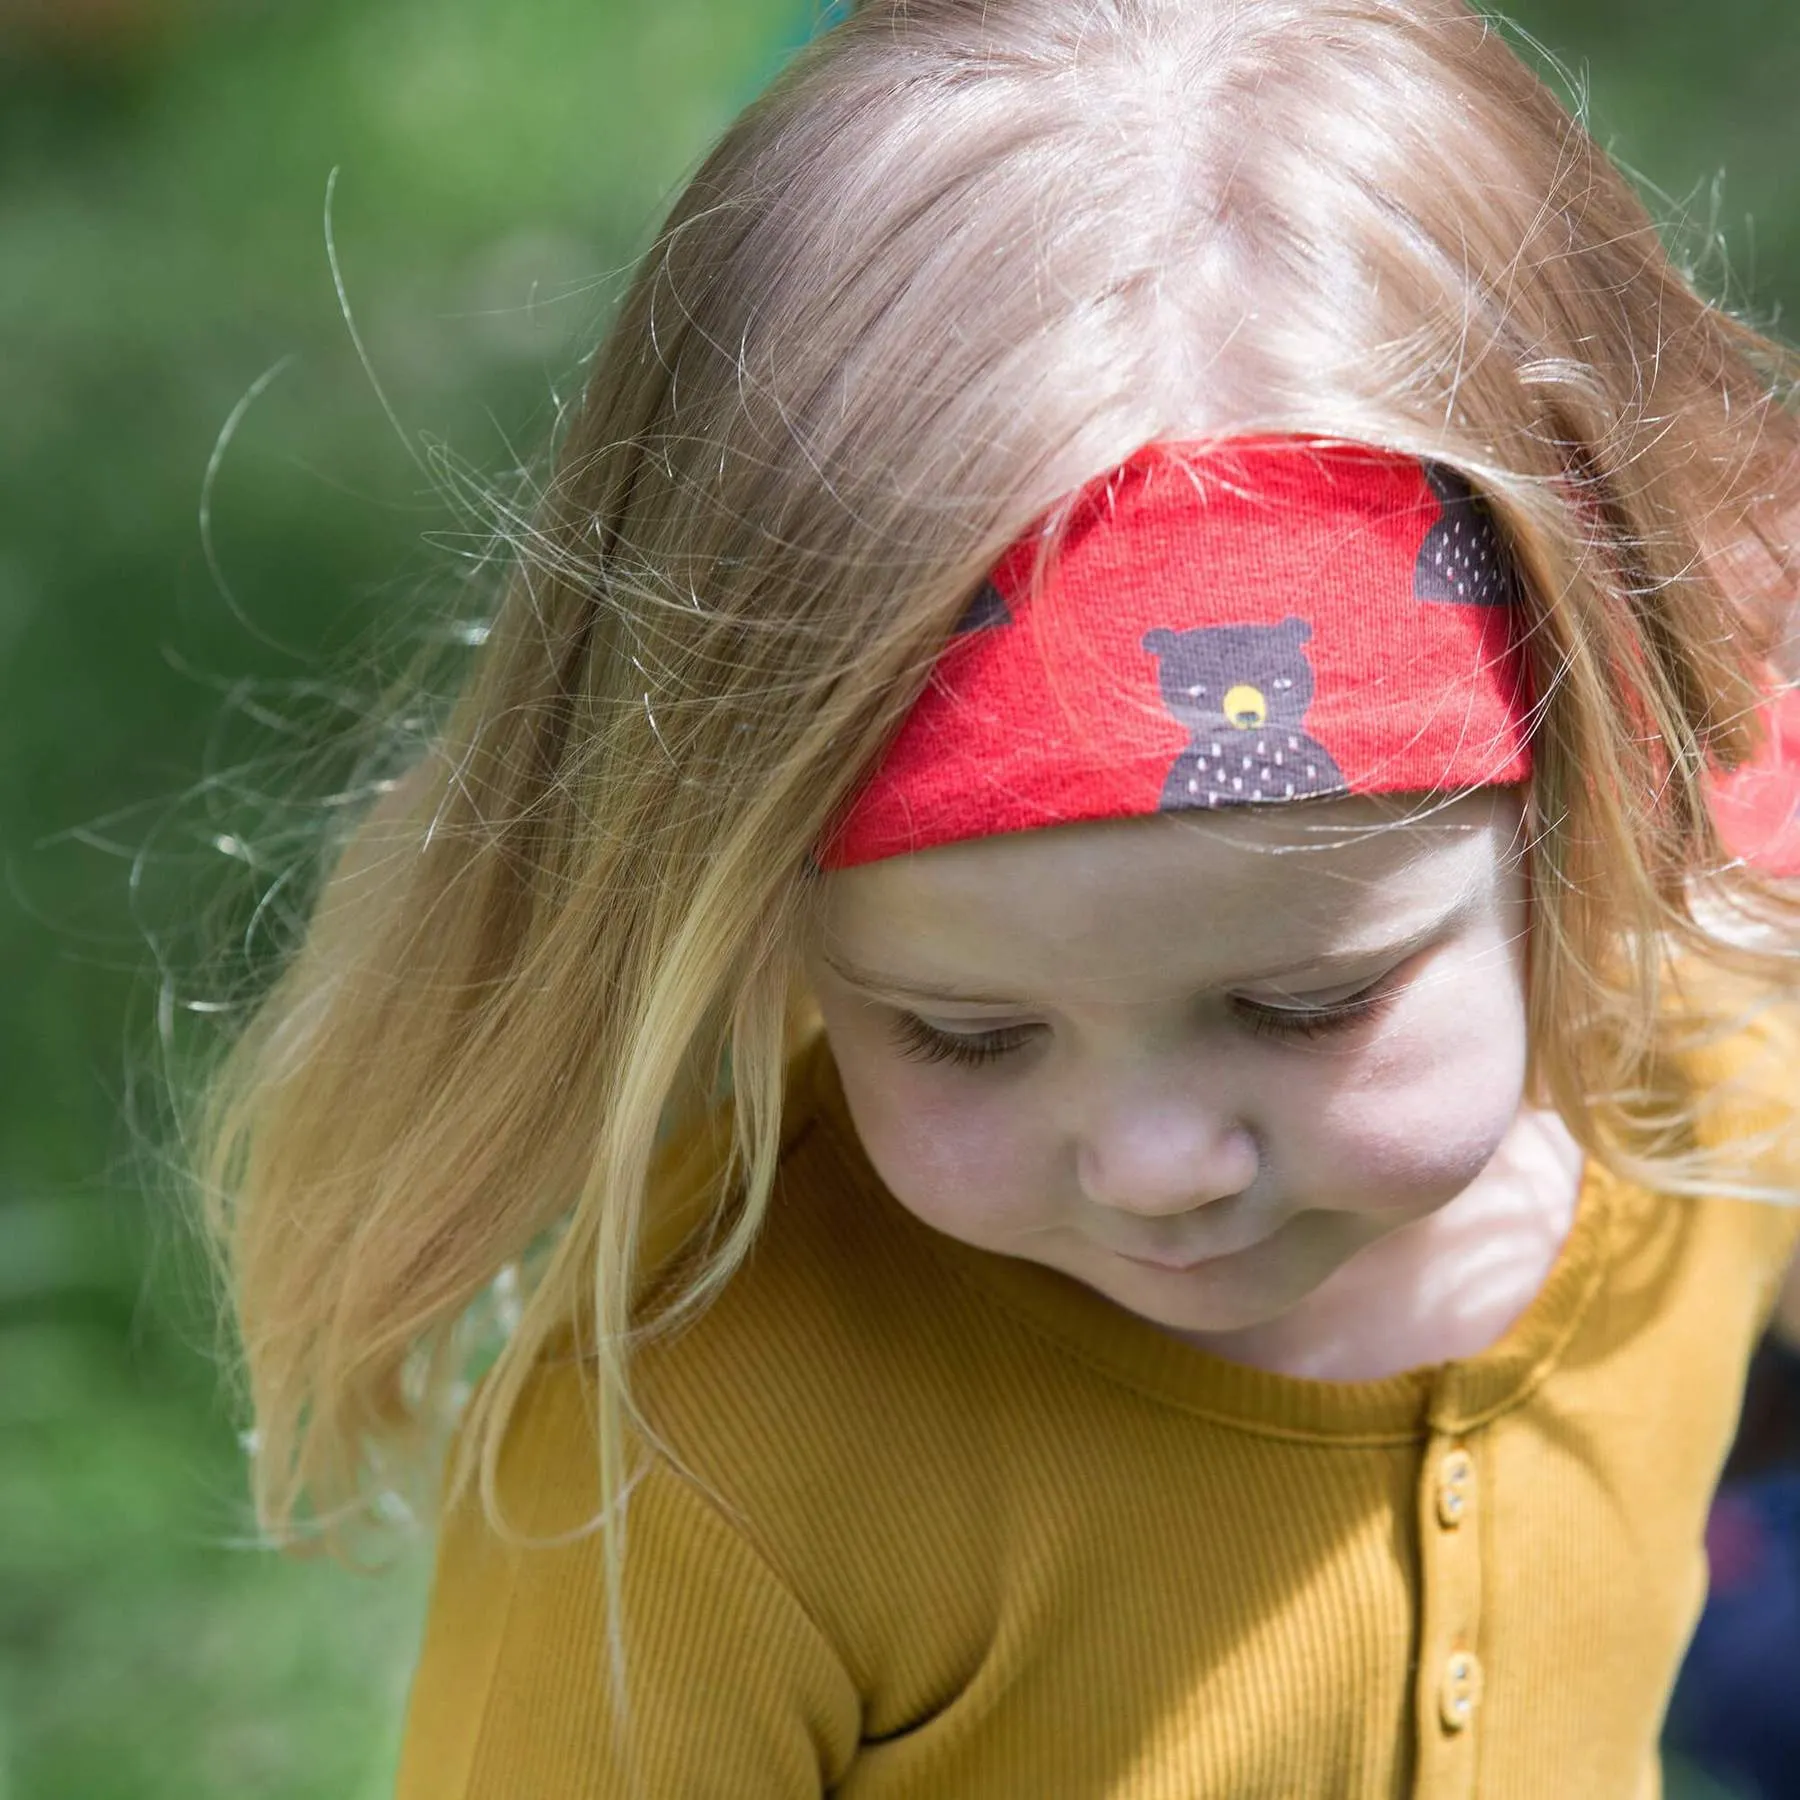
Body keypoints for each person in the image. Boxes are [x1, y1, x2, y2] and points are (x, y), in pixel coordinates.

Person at [194, 1, 1800, 1793]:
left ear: (1582, 795)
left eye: (1307, 1004)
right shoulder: (707, 1473)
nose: (1156, 1162)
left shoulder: (1716, 1122)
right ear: (770, 918)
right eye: (965, 1036)